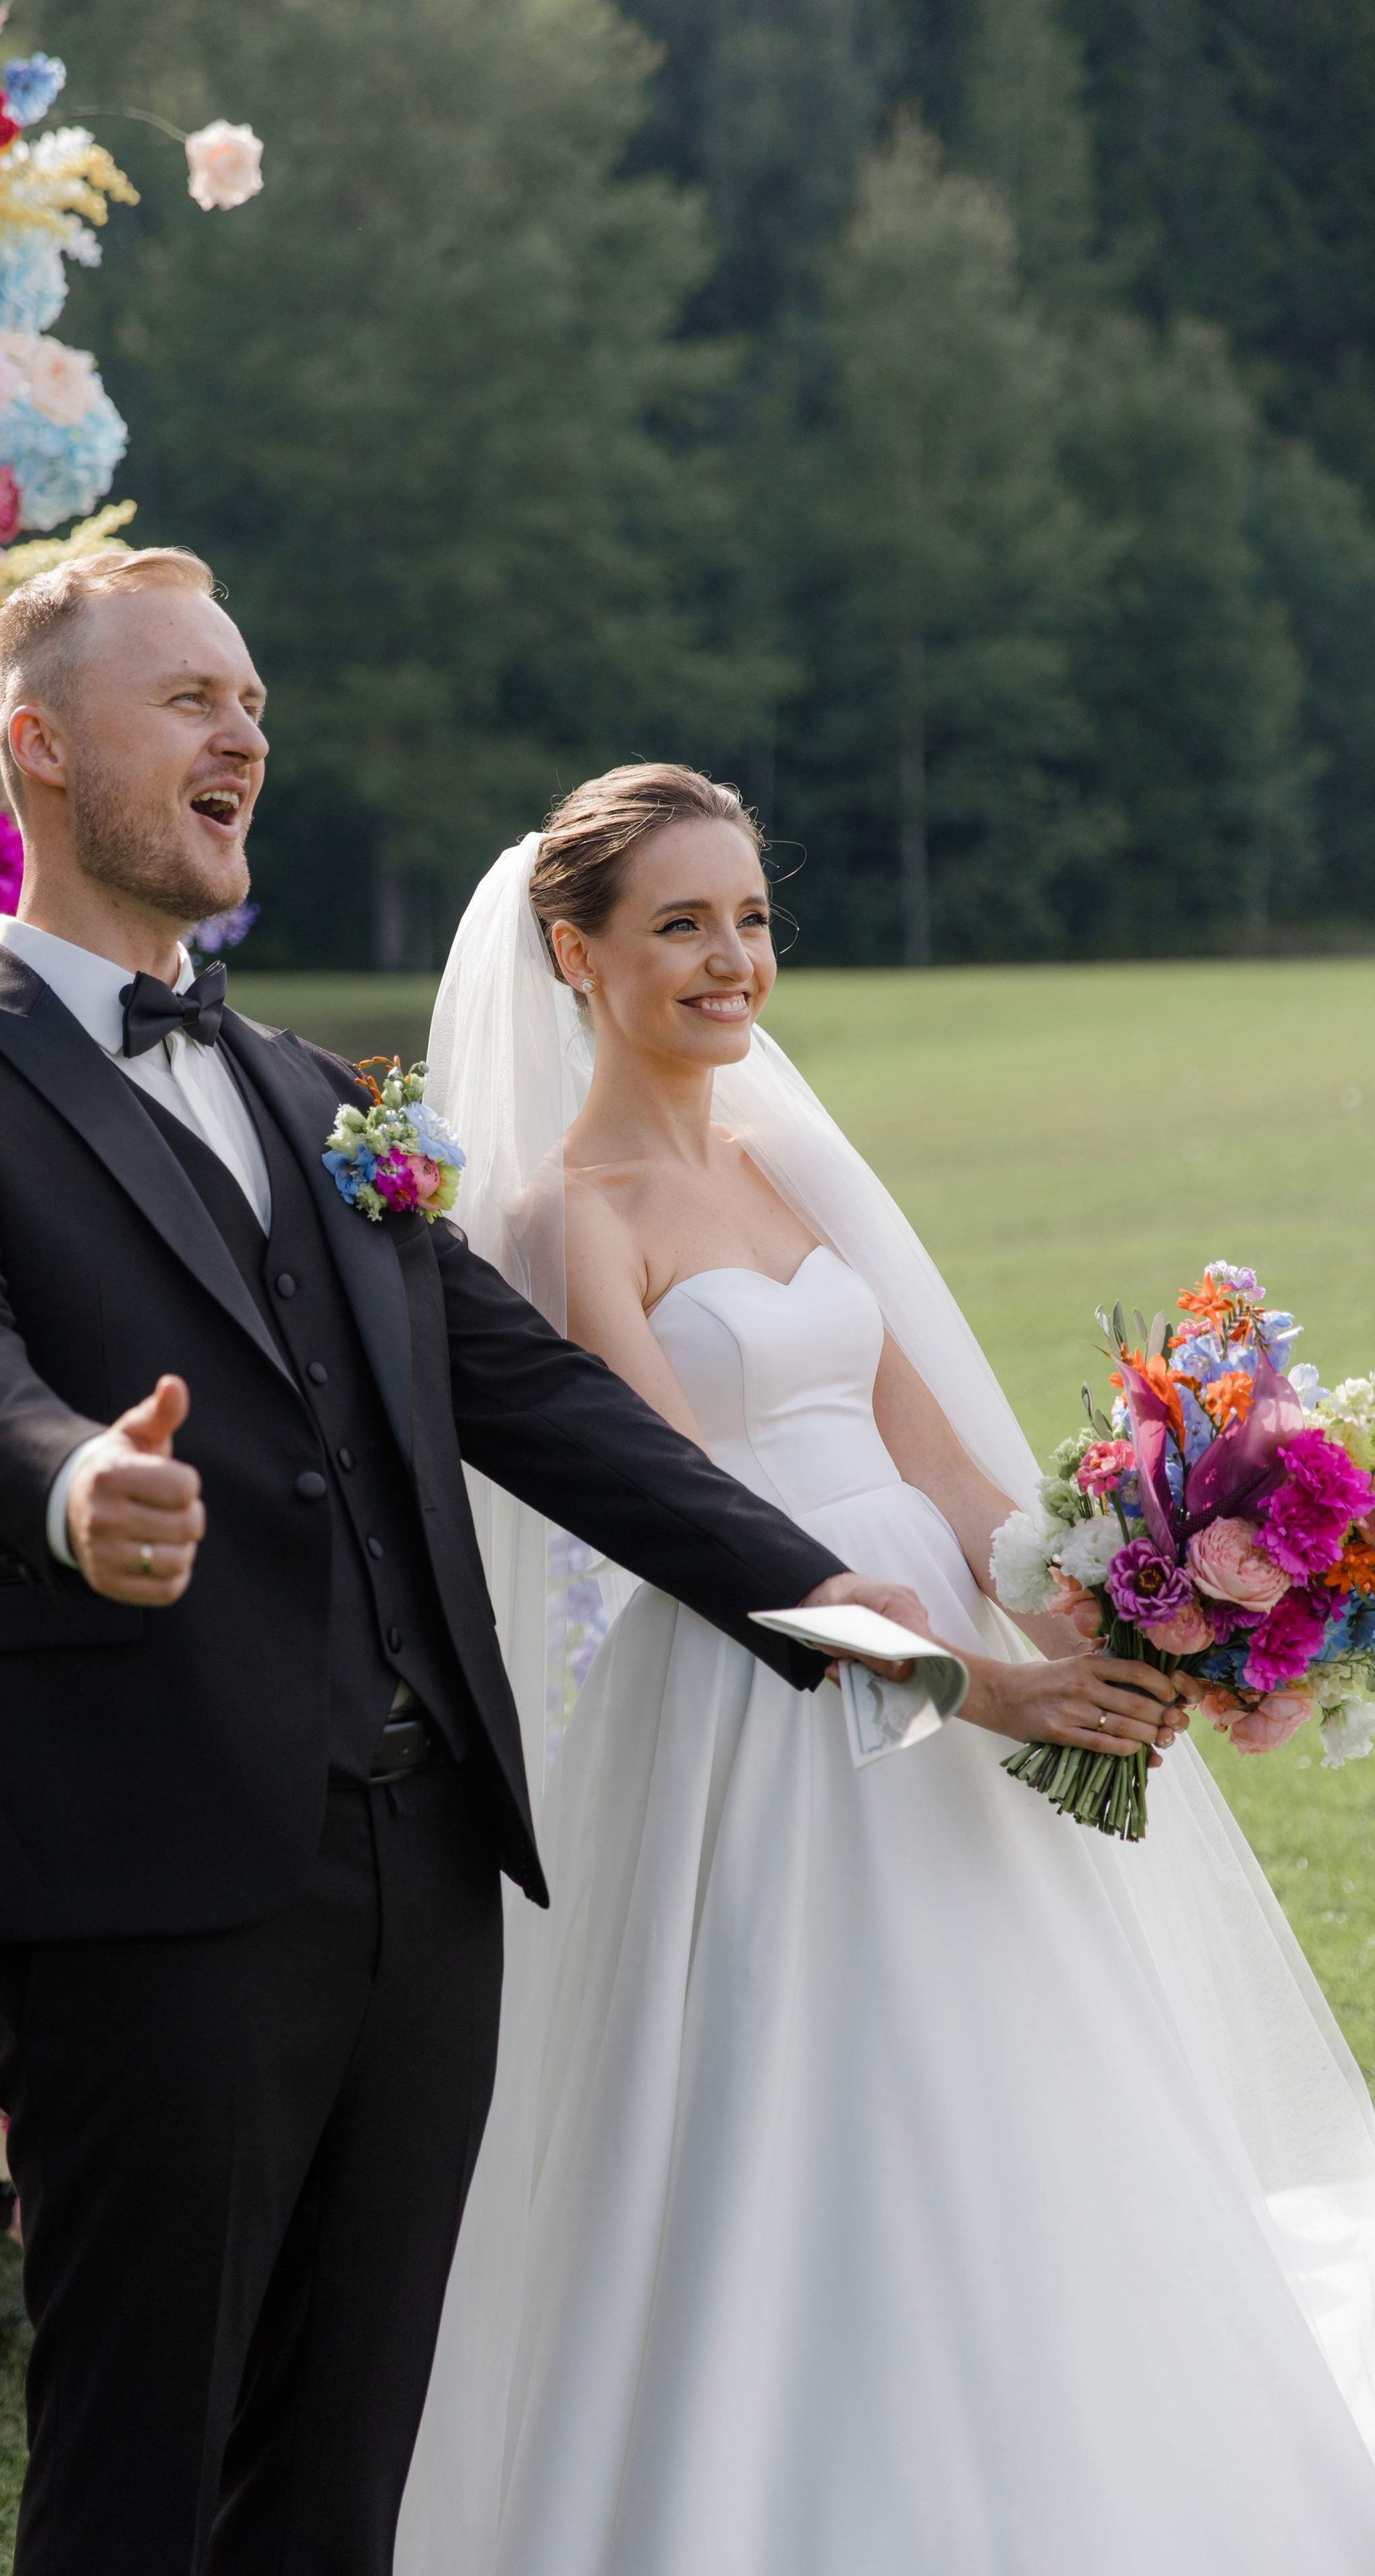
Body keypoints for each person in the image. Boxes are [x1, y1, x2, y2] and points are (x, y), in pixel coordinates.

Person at [0, 550, 947, 2576]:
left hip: (427, 1878)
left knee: (346, 2483)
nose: (246, 731)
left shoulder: (323, 1094)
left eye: (251, 697)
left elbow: (565, 1418)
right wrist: (69, 1479)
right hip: (151, 1875)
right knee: (137, 2473)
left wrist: (891, 1634)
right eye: (188, 700)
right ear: (41, 747)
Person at [396, 765, 1375, 2576]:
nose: (731, 959)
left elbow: (946, 1466)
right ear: (575, 952)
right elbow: (687, 1532)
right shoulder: (565, 1217)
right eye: (680, 923)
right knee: (803, 2097)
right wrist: (969, 1685)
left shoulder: (783, 1165)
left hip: (943, 1658)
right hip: (765, 1694)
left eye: (751, 917)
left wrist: (1116, 1604)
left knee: (1015, 2075)